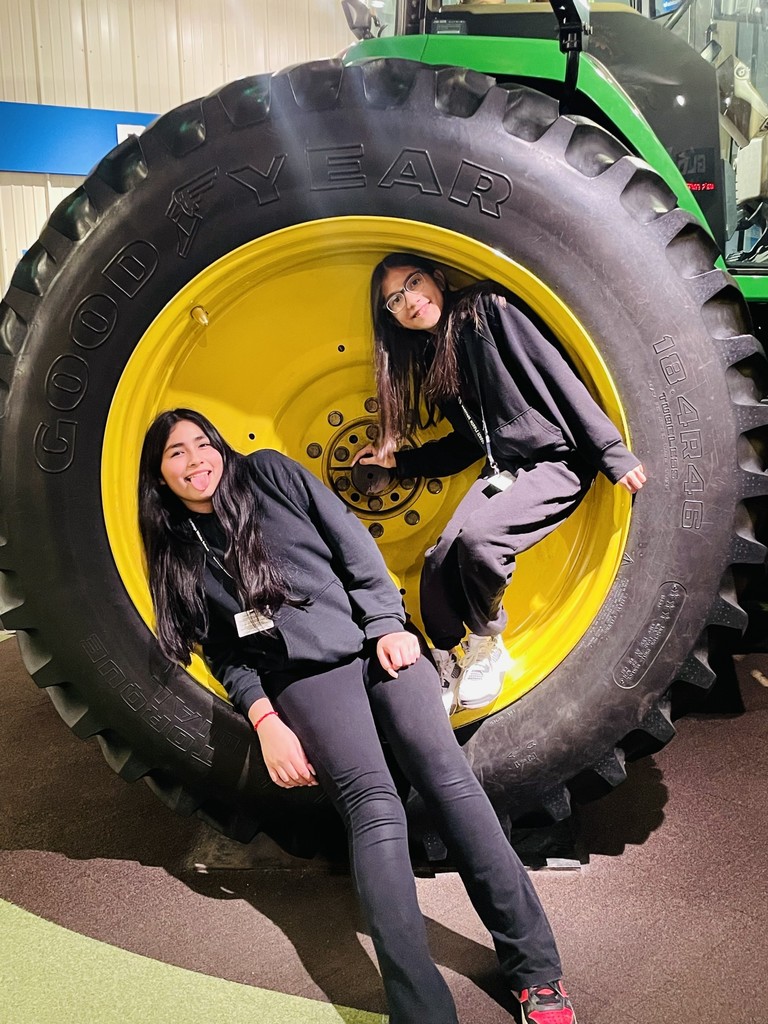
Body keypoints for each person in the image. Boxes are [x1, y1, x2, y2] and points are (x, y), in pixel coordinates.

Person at [138, 407, 577, 1024]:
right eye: (176, 454)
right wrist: (265, 720)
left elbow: (351, 541)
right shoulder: (180, 553)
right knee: (374, 809)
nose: (196, 460)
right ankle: (420, 1012)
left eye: (202, 444)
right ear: (159, 476)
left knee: (450, 783)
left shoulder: (269, 475)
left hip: (376, 647)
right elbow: (227, 654)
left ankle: (537, 973)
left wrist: (388, 625)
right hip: (306, 680)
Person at [354, 253, 646, 713]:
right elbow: (468, 444)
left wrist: (610, 451)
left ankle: (488, 642)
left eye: (413, 283)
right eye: (394, 299)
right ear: (390, 317)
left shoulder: (485, 309)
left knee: (480, 543)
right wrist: (400, 466)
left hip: (557, 459)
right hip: (504, 470)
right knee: (437, 558)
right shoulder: (436, 359)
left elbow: (553, 372)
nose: (409, 300)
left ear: (436, 277)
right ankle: (449, 654)